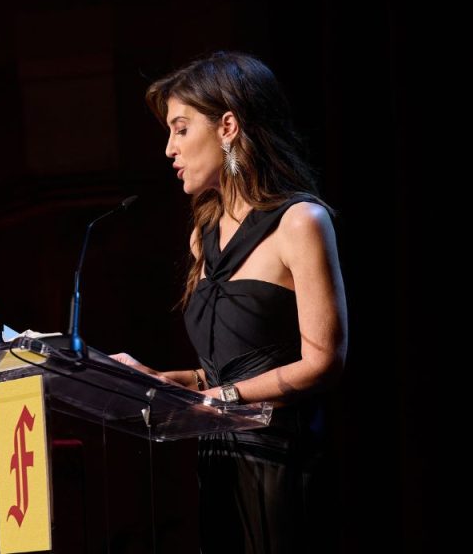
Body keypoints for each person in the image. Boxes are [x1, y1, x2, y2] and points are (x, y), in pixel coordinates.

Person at [111, 51, 348, 554]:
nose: (168, 149)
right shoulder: (205, 235)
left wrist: (224, 398)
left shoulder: (300, 222)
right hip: (218, 460)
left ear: (228, 127)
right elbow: (223, 371)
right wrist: (161, 380)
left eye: (180, 129)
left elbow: (324, 360)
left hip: (283, 464)